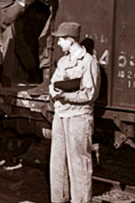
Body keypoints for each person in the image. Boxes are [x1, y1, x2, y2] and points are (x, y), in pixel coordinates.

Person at [49, 22, 100, 203]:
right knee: (57, 165)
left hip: (79, 116)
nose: (59, 44)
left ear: (70, 40)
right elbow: (53, 82)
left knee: (79, 164)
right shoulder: (63, 61)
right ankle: (59, 200)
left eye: (61, 40)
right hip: (61, 115)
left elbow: (89, 93)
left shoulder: (88, 62)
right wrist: (54, 91)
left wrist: (65, 94)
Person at [3, 0, 58, 86]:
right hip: (53, 6)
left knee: (46, 39)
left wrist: (20, 6)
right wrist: (5, 19)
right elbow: (19, 1)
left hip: (61, 4)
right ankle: (45, 80)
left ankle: (47, 82)